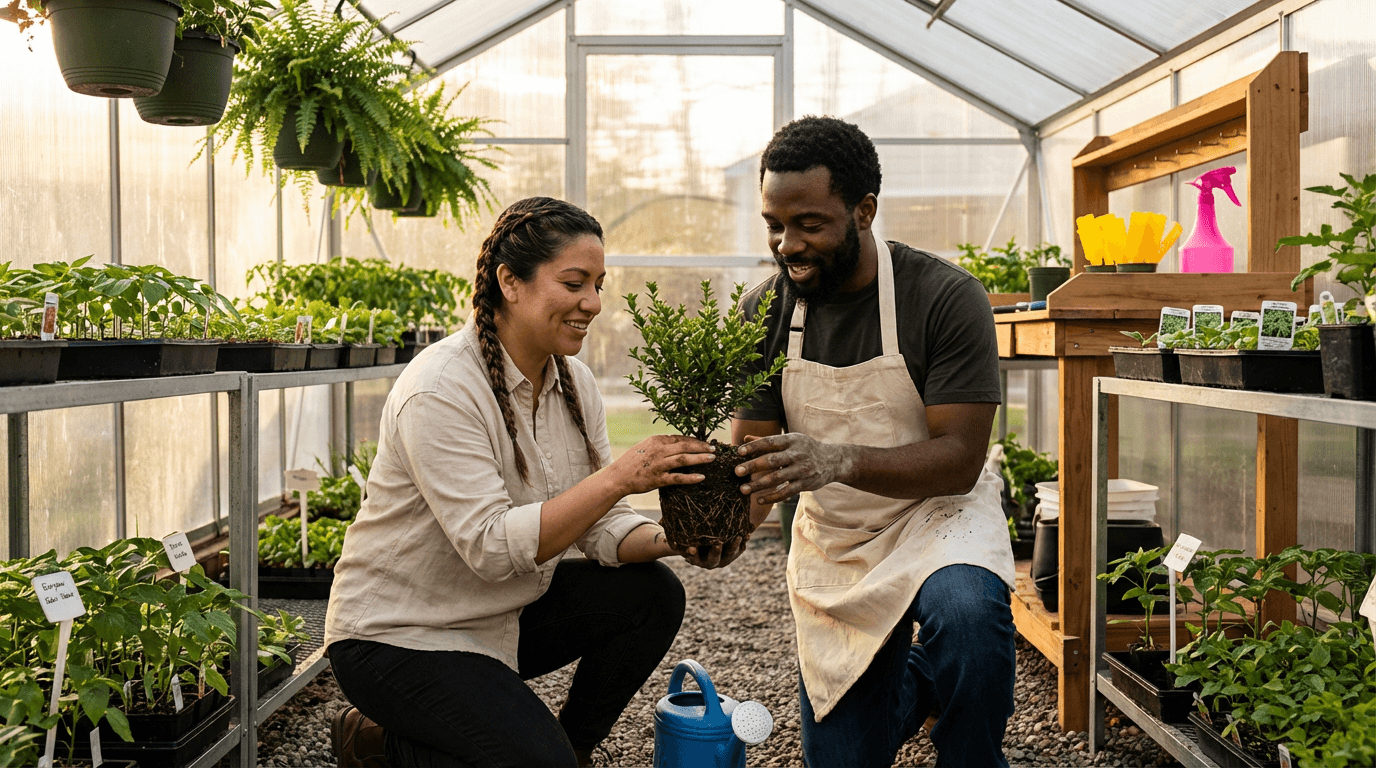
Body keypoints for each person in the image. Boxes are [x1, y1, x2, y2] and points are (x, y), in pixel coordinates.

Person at [324, 197, 743, 768]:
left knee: (654, 593)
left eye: (598, 284)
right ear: (509, 282)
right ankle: (376, 741)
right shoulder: (442, 388)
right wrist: (622, 476)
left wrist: (678, 538)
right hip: (401, 635)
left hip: (499, 617)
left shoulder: (574, 383)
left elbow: (600, 527)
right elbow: (492, 548)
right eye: (574, 283)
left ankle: (569, 749)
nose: (592, 303)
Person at [731, 117, 1017, 767]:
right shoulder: (766, 312)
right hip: (838, 535)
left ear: (864, 211)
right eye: (774, 224)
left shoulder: (943, 297)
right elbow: (753, 460)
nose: (787, 245)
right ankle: (917, 681)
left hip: (937, 515)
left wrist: (835, 458)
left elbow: (959, 461)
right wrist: (722, 525)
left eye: (809, 223)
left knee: (970, 617)